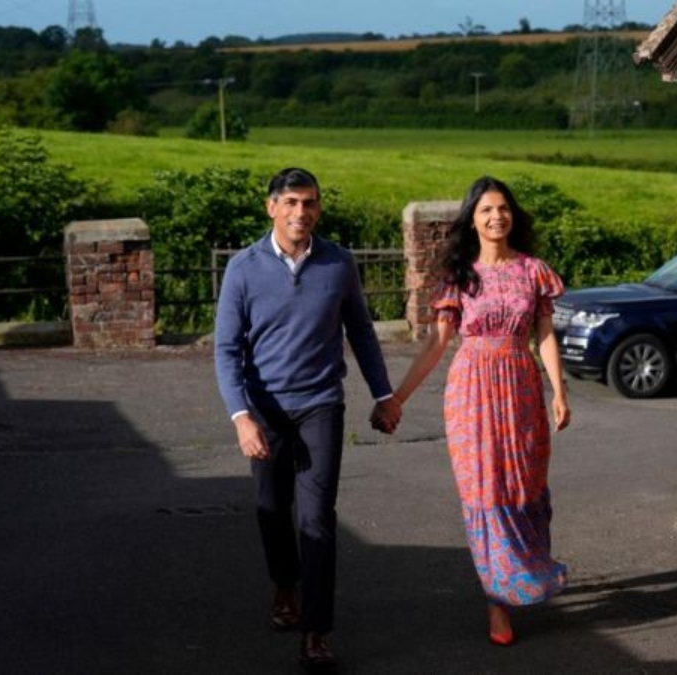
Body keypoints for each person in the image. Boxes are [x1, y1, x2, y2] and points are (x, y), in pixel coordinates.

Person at [214, 167, 402, 672]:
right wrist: (242, 418)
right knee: (271, 508)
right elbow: (227, 350)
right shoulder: (243, 268)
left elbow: (361, 331)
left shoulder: (338, 263)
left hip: (321, 403)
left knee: (316, 519)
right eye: (292, 202)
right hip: (265, 409)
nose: (302, 212)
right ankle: (283, 584)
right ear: (271, 207)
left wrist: (384, 395)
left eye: (311, 203)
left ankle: (316, 630)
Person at [390, 175, 571, 646]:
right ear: (473, 219)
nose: (497, 216)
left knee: (524, 485)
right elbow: (437, 343)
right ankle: (497, 601)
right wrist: (398, 397)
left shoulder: (534, 270)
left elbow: (544, 335)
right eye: (487, 210)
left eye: (504, 208)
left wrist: (559, 390)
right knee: (485, 491)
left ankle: (527, 571)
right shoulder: (459, 278)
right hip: (472, 392)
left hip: (522, 385)